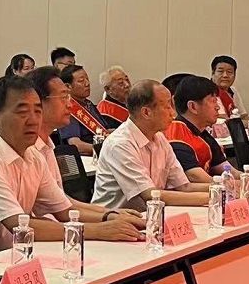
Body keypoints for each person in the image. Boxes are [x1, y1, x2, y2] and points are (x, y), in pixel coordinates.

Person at [0, 75, 142, 262]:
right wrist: (98, 230)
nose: (32, 120)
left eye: (37, 111)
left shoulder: (33, 155)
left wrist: (111, 217)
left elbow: (64, 210)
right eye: (22, 112)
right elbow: (20, 226)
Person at [28, 66, 145, 224]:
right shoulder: (29, 150)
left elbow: (64, 202)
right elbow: (56, 212)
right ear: (38, 103)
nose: (70, 105)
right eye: (64, 97)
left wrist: (112, 213)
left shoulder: (47, 146)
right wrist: (107, 219)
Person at [92, 79, 214, 211]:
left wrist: (221, 187)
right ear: (146, 112)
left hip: (148, 215)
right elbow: (150, 195)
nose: (173, 113)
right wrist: (212, 196)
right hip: (113, 219)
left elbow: (184, 186)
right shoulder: (120, 144)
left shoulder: (159, 138)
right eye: (167, 106)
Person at [164, 76, 249, 189]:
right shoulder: (176, 135)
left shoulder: (203, 133)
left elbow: (227, 169)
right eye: (213, 101)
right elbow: (197, 178)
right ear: (193, 107)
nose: (217, 107)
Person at [57, 65, 105, 155]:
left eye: (87, 79)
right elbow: (76, 145)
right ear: (68, 86)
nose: (87, 83)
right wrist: (104, 150)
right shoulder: (68, 109)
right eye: (81, 81)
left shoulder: (88, 104)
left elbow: (104, 130)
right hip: (89, 157)